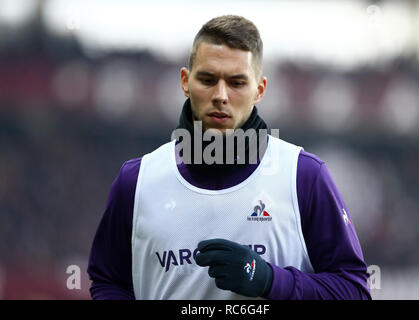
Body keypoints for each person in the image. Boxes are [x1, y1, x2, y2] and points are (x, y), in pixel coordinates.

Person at [87, 15, 371, 300]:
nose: (221, 95)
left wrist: (269, 280)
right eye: (208, 79)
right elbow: (107, 282)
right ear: (186, 82)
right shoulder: (136, 181)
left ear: (259, 90)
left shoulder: (303, 176)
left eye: (236, 82)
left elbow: (355, 291)